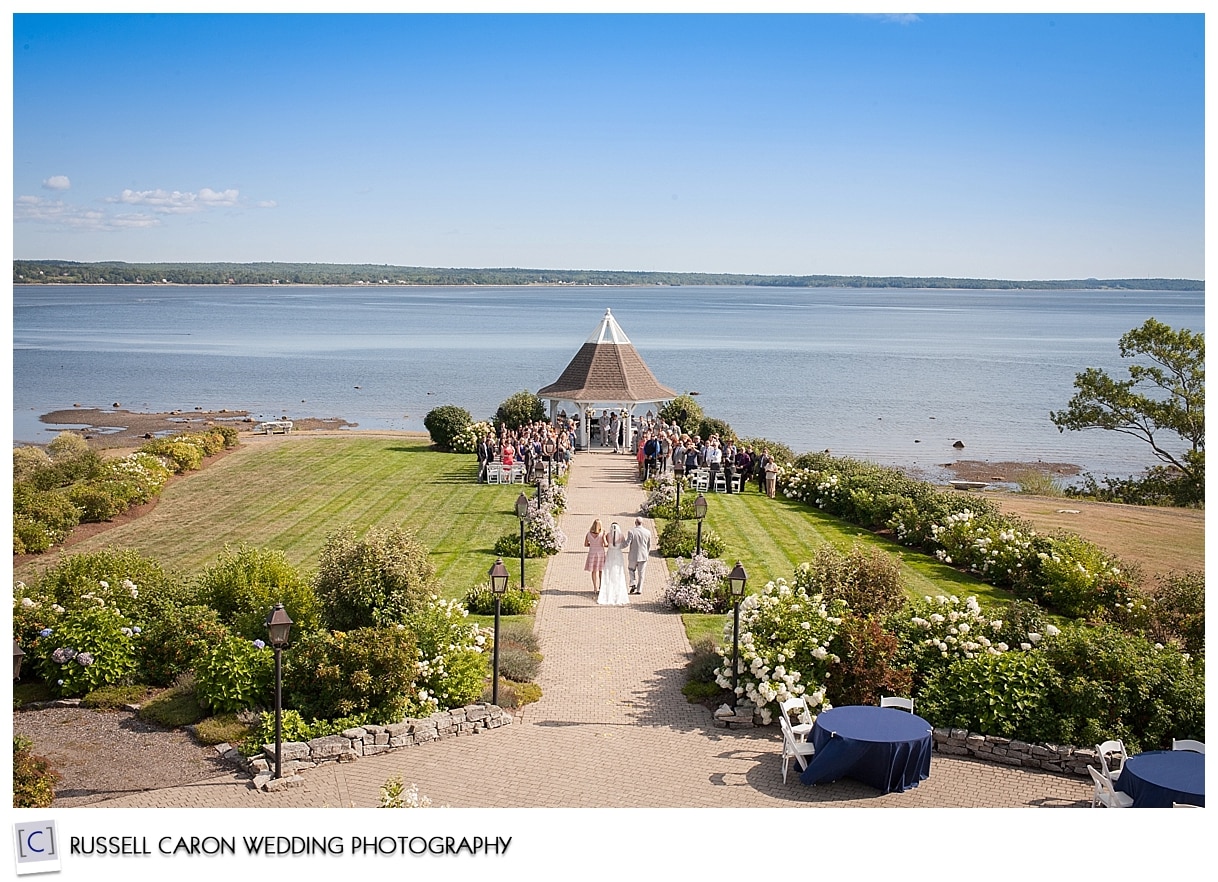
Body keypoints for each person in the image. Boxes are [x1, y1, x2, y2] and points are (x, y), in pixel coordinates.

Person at [598, 522, 630, 605]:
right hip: (618, 554)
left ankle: (608, 588)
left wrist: (604, 535)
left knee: (609, 570)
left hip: (611, 554)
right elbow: (623, 544)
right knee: (618, 571)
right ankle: (618, 590)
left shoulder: (608, 535)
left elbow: (606, 543)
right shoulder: (621, 535)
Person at [625, 517, 653, 595]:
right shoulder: (648, 532)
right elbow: (649, 545)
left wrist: (619, 546)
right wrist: (646, 553)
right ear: (642, 523)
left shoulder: (631, 531)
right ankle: (639, 589)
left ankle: (633, 582)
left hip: (633, 555)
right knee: (641, 573)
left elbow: (627, 542)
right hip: (643, 556)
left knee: (631, 570)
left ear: (635, 522)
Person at [584, 519, 607, 593]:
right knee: (601, 570)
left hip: (592, 553)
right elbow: (605, 544)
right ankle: (601, 585)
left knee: (594, 571)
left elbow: (586, 544)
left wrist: (592, 545)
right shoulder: (602, 533)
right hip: (600, 553)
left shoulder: (588, 534)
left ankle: (595, 587)